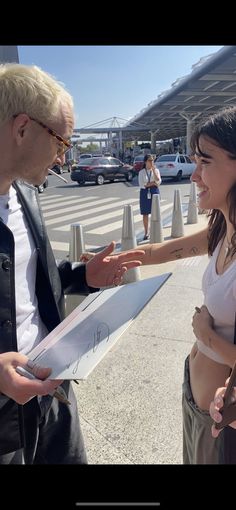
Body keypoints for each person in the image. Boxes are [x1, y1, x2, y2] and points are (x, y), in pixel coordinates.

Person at [0, 63, 145, 464]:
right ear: (22, 128)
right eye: (61, 141)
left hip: (53, 394)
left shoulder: (26, 195)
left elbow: (31, 279)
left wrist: (84, 275)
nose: (64, 155)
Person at [136, 106, 236, 463]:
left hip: (224, 425)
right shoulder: (223, 228)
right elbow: (169, 249)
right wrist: (122, 260)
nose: (194, 175)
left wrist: (207, 337)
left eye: (205, 162)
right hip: (196, 400)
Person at [138, 154, 161, 240]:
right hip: (144, 193)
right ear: (145, 162)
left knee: (155, 212)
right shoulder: (141, 172)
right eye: (150, 160)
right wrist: (152, 183)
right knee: (145, 213)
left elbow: (158, 181)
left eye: (152, 160)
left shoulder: (156, 170)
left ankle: (155, 230)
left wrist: (154, 170)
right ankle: (146, 232)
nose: (151, 162)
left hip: (154, 192)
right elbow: (142, 184)